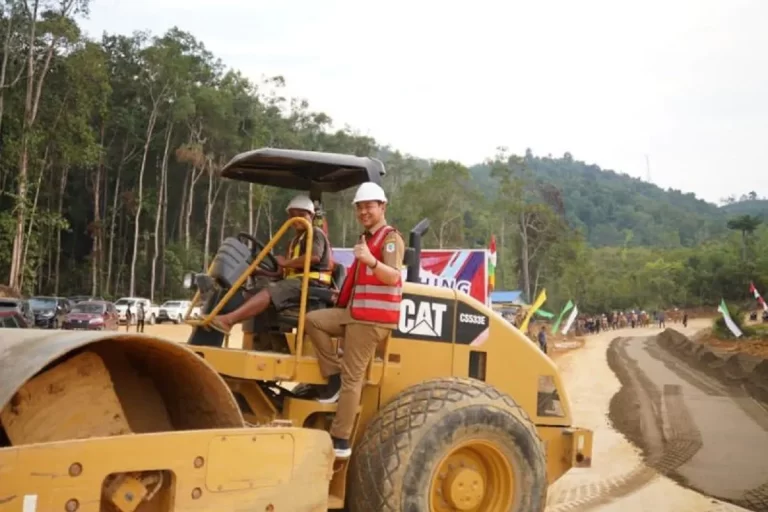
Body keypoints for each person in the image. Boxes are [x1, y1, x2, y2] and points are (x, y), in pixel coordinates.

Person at [304, 182, 404, 459]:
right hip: (355, 314)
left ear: (382, 207)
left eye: (369, 206)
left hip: (371, 320)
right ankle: (331, 376)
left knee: (353, 379)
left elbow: (393, 276)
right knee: (314, 320)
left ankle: (341, 439)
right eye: (359, 207)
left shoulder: (390, 238)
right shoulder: (366, 239)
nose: (363, 211)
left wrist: (371, 261)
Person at [208, 195, 332, 334]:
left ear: (311, 215)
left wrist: (286, 262)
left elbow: (314, 257)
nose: (297, 220)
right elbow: (281, 272)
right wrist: (259, 271)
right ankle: (215, 318)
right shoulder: (293, 241)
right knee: (251, 292)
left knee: (271, 290)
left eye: (301, 215)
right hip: (295, 283)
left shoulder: (315, 233)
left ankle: (228, 321)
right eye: (292, 216)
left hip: (313, 284)